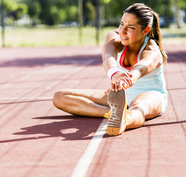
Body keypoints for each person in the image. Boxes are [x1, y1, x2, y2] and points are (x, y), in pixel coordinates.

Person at [53, 3, 168, 136]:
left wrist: (127, 79)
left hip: (151, 95)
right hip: (120, 95)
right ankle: (114, 112)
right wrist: (115, 74)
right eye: (121, 24)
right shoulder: (114, 37)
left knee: (138, 107)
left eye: (130, 27)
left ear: (146, 30)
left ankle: (125, 119)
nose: (123, 31)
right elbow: (108, 57)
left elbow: (141, 68)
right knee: (60, 97)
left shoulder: (151, 49)